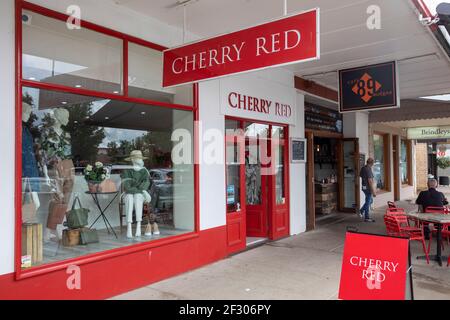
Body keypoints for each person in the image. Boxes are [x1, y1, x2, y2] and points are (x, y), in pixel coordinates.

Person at [359, 158, 377, 222]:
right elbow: (370, 181)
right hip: (368, 188)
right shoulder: (368, 169)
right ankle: (367, 217)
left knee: (370, 201)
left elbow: (361, 176)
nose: (373, 164)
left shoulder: (363, 168)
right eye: (373, 163)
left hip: (364, 187)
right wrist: (373, 191)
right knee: (368, 201)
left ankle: (361, 210)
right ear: (371, 163)